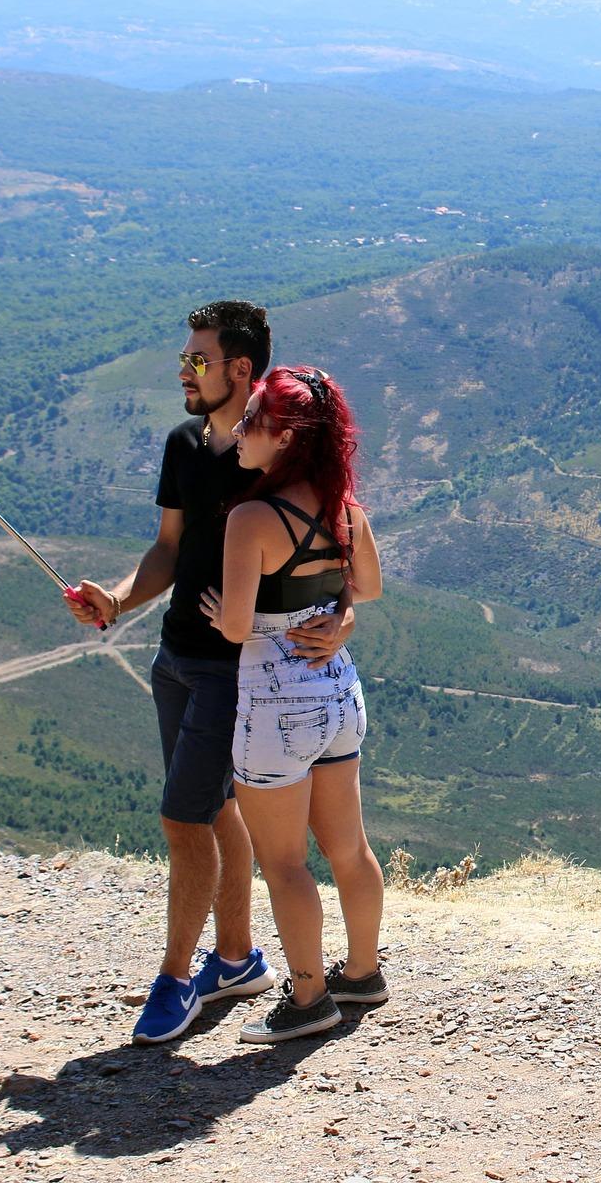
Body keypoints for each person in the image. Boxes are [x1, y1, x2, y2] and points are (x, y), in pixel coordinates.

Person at [65, 303, 355, 1045]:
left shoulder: (270, 453)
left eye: (198, 358)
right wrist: (118, 599)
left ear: (240, 369)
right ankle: (233, 959)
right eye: (185, 357)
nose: (184, 369)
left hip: (240, 672)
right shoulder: (184, 443)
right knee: (215, 811)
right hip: (177, 659)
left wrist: (342, 613)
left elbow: (327, 539)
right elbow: (168, 549)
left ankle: (172, 981)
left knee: (182, 817)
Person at [198, 365, 386, 1043]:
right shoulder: (344, 508)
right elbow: (367, 588)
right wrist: (340, 619)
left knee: (282, 861)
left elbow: (242, 626)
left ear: (282, 437)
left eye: (251, 421)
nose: (240, 432)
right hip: (337, 687)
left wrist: (223, 614)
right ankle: (361, 973)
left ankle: (308, 1000)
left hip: (276, 706)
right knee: (348, 847)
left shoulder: (251, 517)